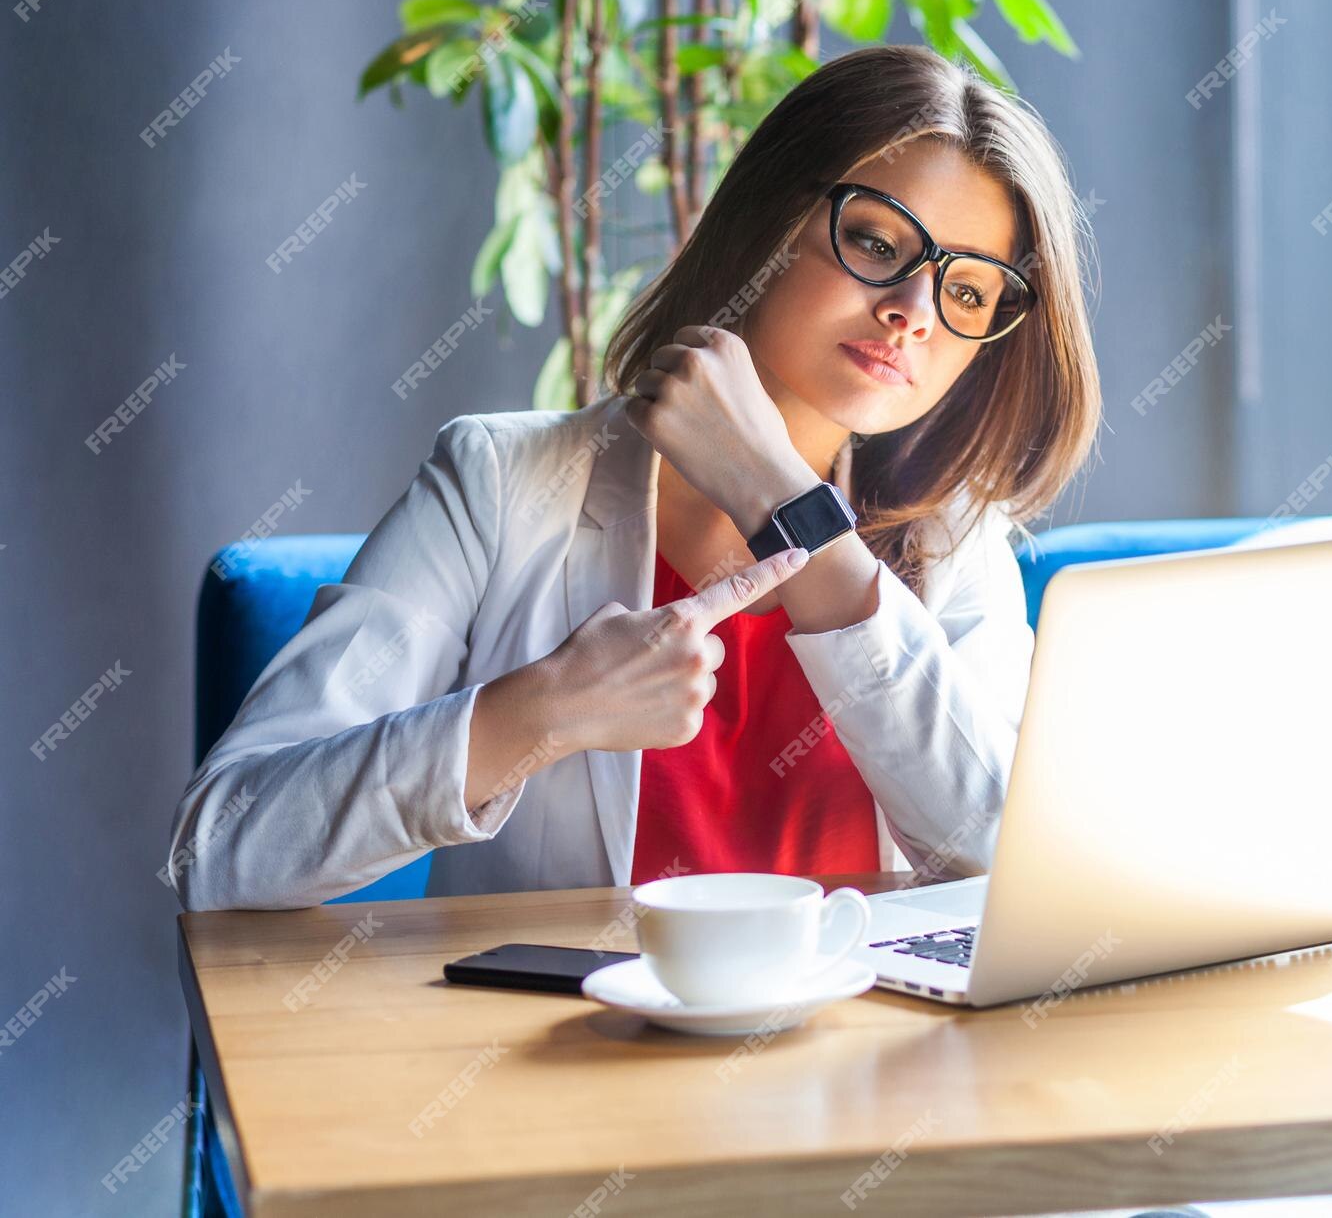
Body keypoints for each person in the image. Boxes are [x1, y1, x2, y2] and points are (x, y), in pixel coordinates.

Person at [170, 45, 1101, 910]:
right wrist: (537, 711)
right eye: (876, 241)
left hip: (855, 1074)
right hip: (566, 1067)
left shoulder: (951, 539)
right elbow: (220, 849)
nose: (912, 311)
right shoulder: (499, 481)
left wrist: (786, 502)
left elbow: (1007, 863)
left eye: (968, 290)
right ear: (769, 218)